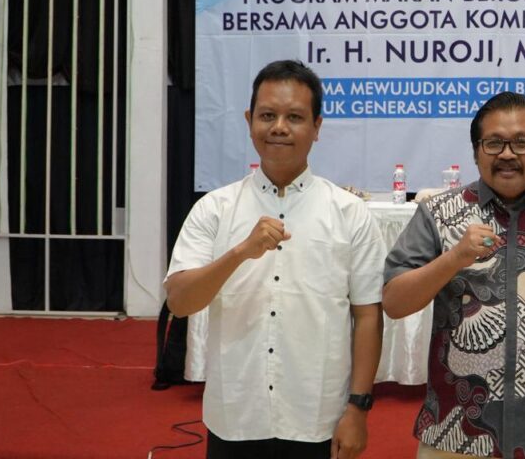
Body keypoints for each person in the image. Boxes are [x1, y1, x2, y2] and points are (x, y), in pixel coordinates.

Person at [165, 59, 385, 459]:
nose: (279, 127)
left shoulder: (349, 213)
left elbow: (367, 315)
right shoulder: (215, 209)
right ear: (249, 121)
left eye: (295, 117)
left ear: (317, 127)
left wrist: (358, 408)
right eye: (267, 115)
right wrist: (239, 253)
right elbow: (180, 302)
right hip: (235, 413)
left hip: (318, 414)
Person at [382, 92, 525, 459]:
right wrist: (454, 258)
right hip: (455, 434)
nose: (507, 154)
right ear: (476, 152)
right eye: (493, 143)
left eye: (521, 142)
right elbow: (394, 302)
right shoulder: (438, 214)